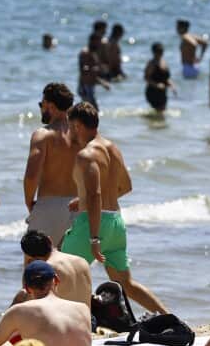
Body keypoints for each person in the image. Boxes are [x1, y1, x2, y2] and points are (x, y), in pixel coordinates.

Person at [61, 102, 168, 314]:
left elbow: (95, 195)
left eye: (69, 126)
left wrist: (93, 238)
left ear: (78, 126)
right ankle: (170, 318)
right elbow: (126, 186)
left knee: (60, 274)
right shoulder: (112, 148)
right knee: (127, 284)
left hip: (93, 225)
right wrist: (84, 201)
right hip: (116, 223)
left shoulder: (86, 155)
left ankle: (69, 326)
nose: (68, 131)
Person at [24, 83, 79, 245]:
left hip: (49, 206)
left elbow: (31, 174)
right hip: (78, 206)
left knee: (36, 266)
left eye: (42, 104)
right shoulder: (82, 135)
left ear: (50, 105)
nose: (41, 109)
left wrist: (29, 202)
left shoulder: (43, 135)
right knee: (72, 267)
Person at [15, 230, 91, 305]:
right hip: (86, 316)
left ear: (30, 258)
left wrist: (27, 264)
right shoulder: (81, 261)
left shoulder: (47, 270)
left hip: (64, 316)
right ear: (50, 240)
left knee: (21, 297)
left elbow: (31, 299)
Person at [77, 33, 111, 108]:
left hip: (89, 86)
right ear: (93, 41)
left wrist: (102, 82)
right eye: (98, 42)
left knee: (91, 111)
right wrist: (97, 69)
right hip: (85, 86)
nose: (100, 45)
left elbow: (91, 72)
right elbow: (85, 71)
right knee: (92, 110)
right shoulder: (85, 52)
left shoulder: (93, 53)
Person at [143, 42, 176, 114]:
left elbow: (166, 78)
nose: (160, 53)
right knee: (160, 111)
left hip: (163, 92)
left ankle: (158, 123)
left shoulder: (164, 62)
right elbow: (146, 78)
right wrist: (157, 85)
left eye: (161, 51)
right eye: (158, 51)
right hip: (153, 91)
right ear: (153, 52)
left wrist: (172, 86)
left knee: (162, 111)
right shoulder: (151, 63)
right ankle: (155, 124)